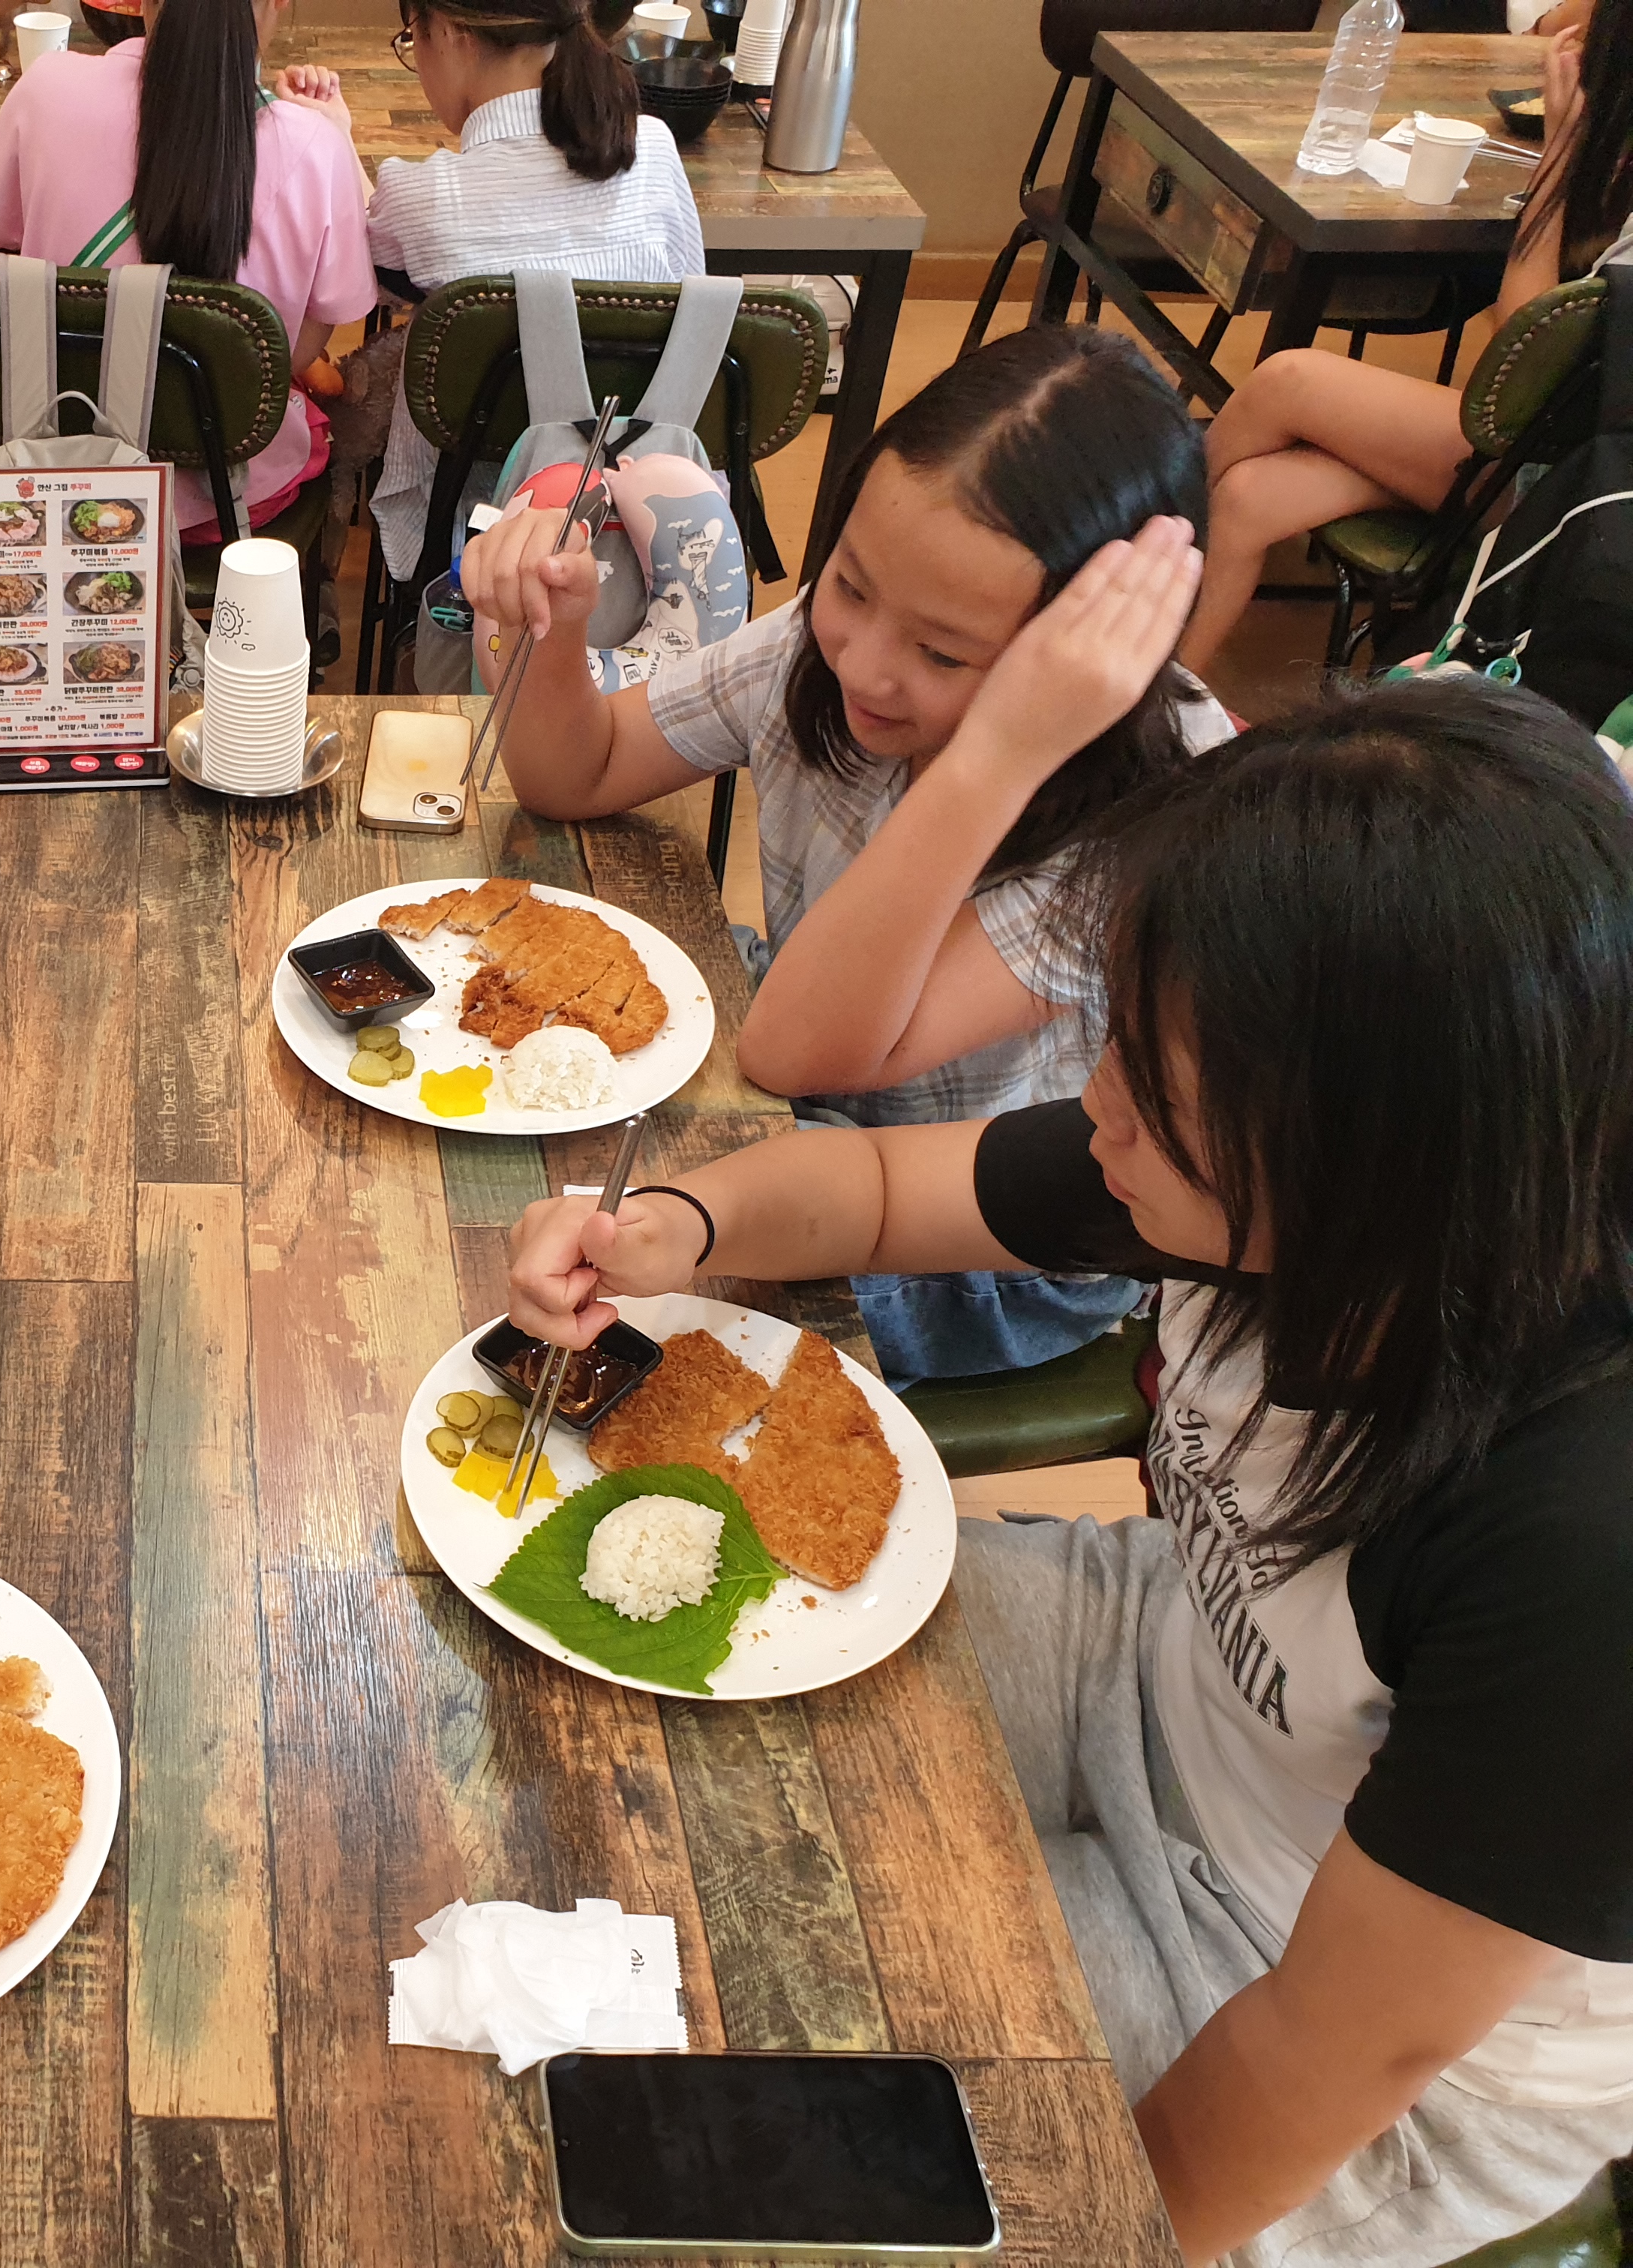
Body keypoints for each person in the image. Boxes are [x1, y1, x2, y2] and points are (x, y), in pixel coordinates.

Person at [504, 669, 1633, 2268]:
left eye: (1159, 1098)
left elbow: (1337, 2049)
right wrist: (674, 1228)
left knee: (746, 2070)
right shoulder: (1254, 1149)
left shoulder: (1583, 1541)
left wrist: (1072, 2221)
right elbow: (880, 1185)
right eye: (1121, 1044)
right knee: (645, 1735)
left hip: (1347, 2018)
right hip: (1164, 1655)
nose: (1098, 1110)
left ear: (1382, 1160)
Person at [461, 322, 1229, 1384]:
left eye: (944, 653)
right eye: (852, 586)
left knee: (555, 1305)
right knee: (513, 1140)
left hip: (981, 1247)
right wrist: (548, 622)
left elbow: (797, 1054)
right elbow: (576, 775)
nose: (865, 665)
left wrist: (998, 754)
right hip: (805, 1110)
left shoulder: (1151, 810)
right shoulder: (828, 646)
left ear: (1084, 664)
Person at [1178, 0, 1631, 670]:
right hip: (1559, 454)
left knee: (1287, 380)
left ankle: (1132, 565)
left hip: (1566, 487)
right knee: (1250, 497)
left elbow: (1525, 362)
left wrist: (1562, 156)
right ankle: (1154, 701)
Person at [0, 0, 376, 539]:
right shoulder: (316, 145)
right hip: (229, 497)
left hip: (55, 475)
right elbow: (291, 354)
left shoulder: (46, 87)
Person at [363, 0, 704, 583]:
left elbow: (361, 277)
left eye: (412, 37)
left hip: (477, 529)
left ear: (450, 30)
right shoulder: (654, 150)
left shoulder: (424, 195)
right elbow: (693, 315)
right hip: (656, 522)